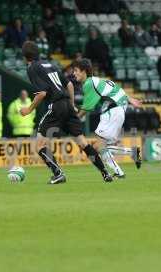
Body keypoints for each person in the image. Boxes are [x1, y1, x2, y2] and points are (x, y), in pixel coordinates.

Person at [19, 41, 113, 184]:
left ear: (25, 57)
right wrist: (71, 104)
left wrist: (28, 109)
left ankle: (58, 173)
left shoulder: (32, 67)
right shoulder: (50, 64)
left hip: (55, 106)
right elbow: (69, 84)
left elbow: (42, 93)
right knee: (83, 143)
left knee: (39, 145)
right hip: (67, 106)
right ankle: (105, 173)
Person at [73, 58, 142, 178]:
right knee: (102, 149)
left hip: (112, 111)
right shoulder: (100, 80)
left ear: (84, 71)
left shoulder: (89, 83)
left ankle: (132, 152)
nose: (74, 73)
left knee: (97, 147)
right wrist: (129, 98)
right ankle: (119, 172)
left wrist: (74, 120)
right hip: (117, 110)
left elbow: (86, 108)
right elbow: (116, 88)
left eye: (76, 70)